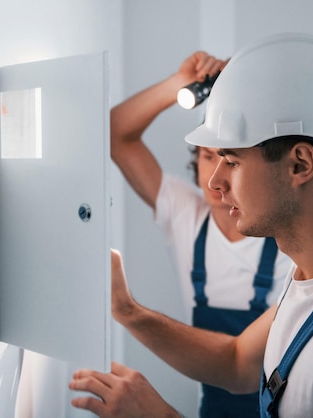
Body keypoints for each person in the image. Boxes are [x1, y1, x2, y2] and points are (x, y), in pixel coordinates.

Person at [69, 32, 313, 417]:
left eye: (233, 161)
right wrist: (127, 310)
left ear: (300, 164)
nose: (214, 181)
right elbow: (237, 363)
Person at [109, 50, 292, 417]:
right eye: (207, 156)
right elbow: (115, 134)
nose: (214, 178)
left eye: (230, 159)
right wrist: (179, 84)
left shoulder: (290, 241)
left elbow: (240, 363)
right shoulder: (185, 213)